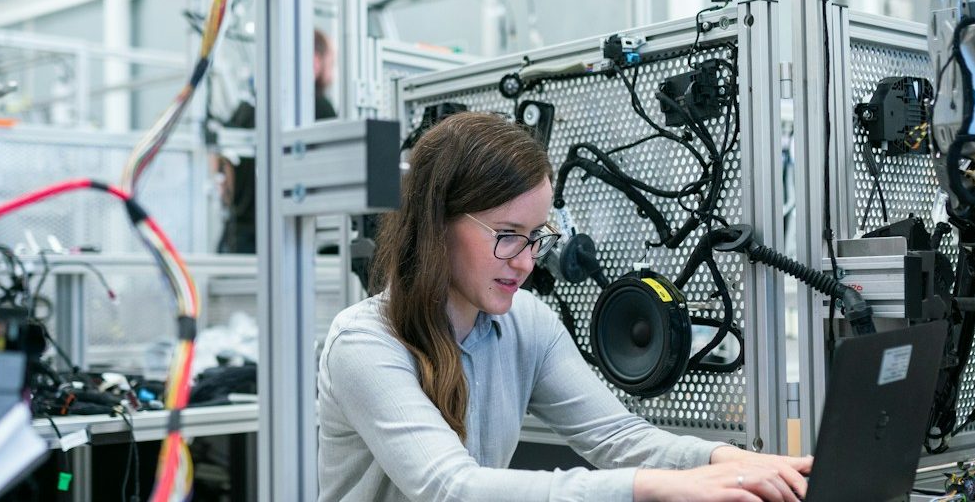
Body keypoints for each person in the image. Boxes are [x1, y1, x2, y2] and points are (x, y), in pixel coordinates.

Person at [317, 112, 813, 502]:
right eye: (508, 236)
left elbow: (618, 437)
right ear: (437, 225)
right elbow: (453, 488)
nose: (528, 261)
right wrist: (650, 487)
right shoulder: (365, 343)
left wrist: (730, 461)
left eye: (537, 238)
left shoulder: (526, 323)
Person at [216, 29, 338, 253]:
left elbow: (221, 173)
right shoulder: (317, 106)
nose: (333, 71)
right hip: (289, 240)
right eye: (332, 62)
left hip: (239, 240)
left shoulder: (247, 108)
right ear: (314, 61)